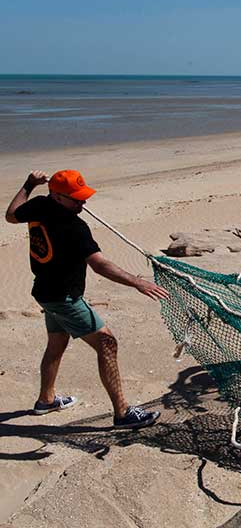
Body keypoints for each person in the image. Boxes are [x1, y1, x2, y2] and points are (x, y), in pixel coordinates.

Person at [5, 169, 169, 429]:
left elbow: (11, 215)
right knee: (107, 342)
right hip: (63, 298)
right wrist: (137, 282)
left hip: (45, 293)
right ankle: (123, 413)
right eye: (76, 198)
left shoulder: (39, 205)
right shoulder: (74, 227)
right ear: (57, 197)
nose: (83, 203)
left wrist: (28, 185)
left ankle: (46, 401)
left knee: (56, 344)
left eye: (83, 197)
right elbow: (100, 265)